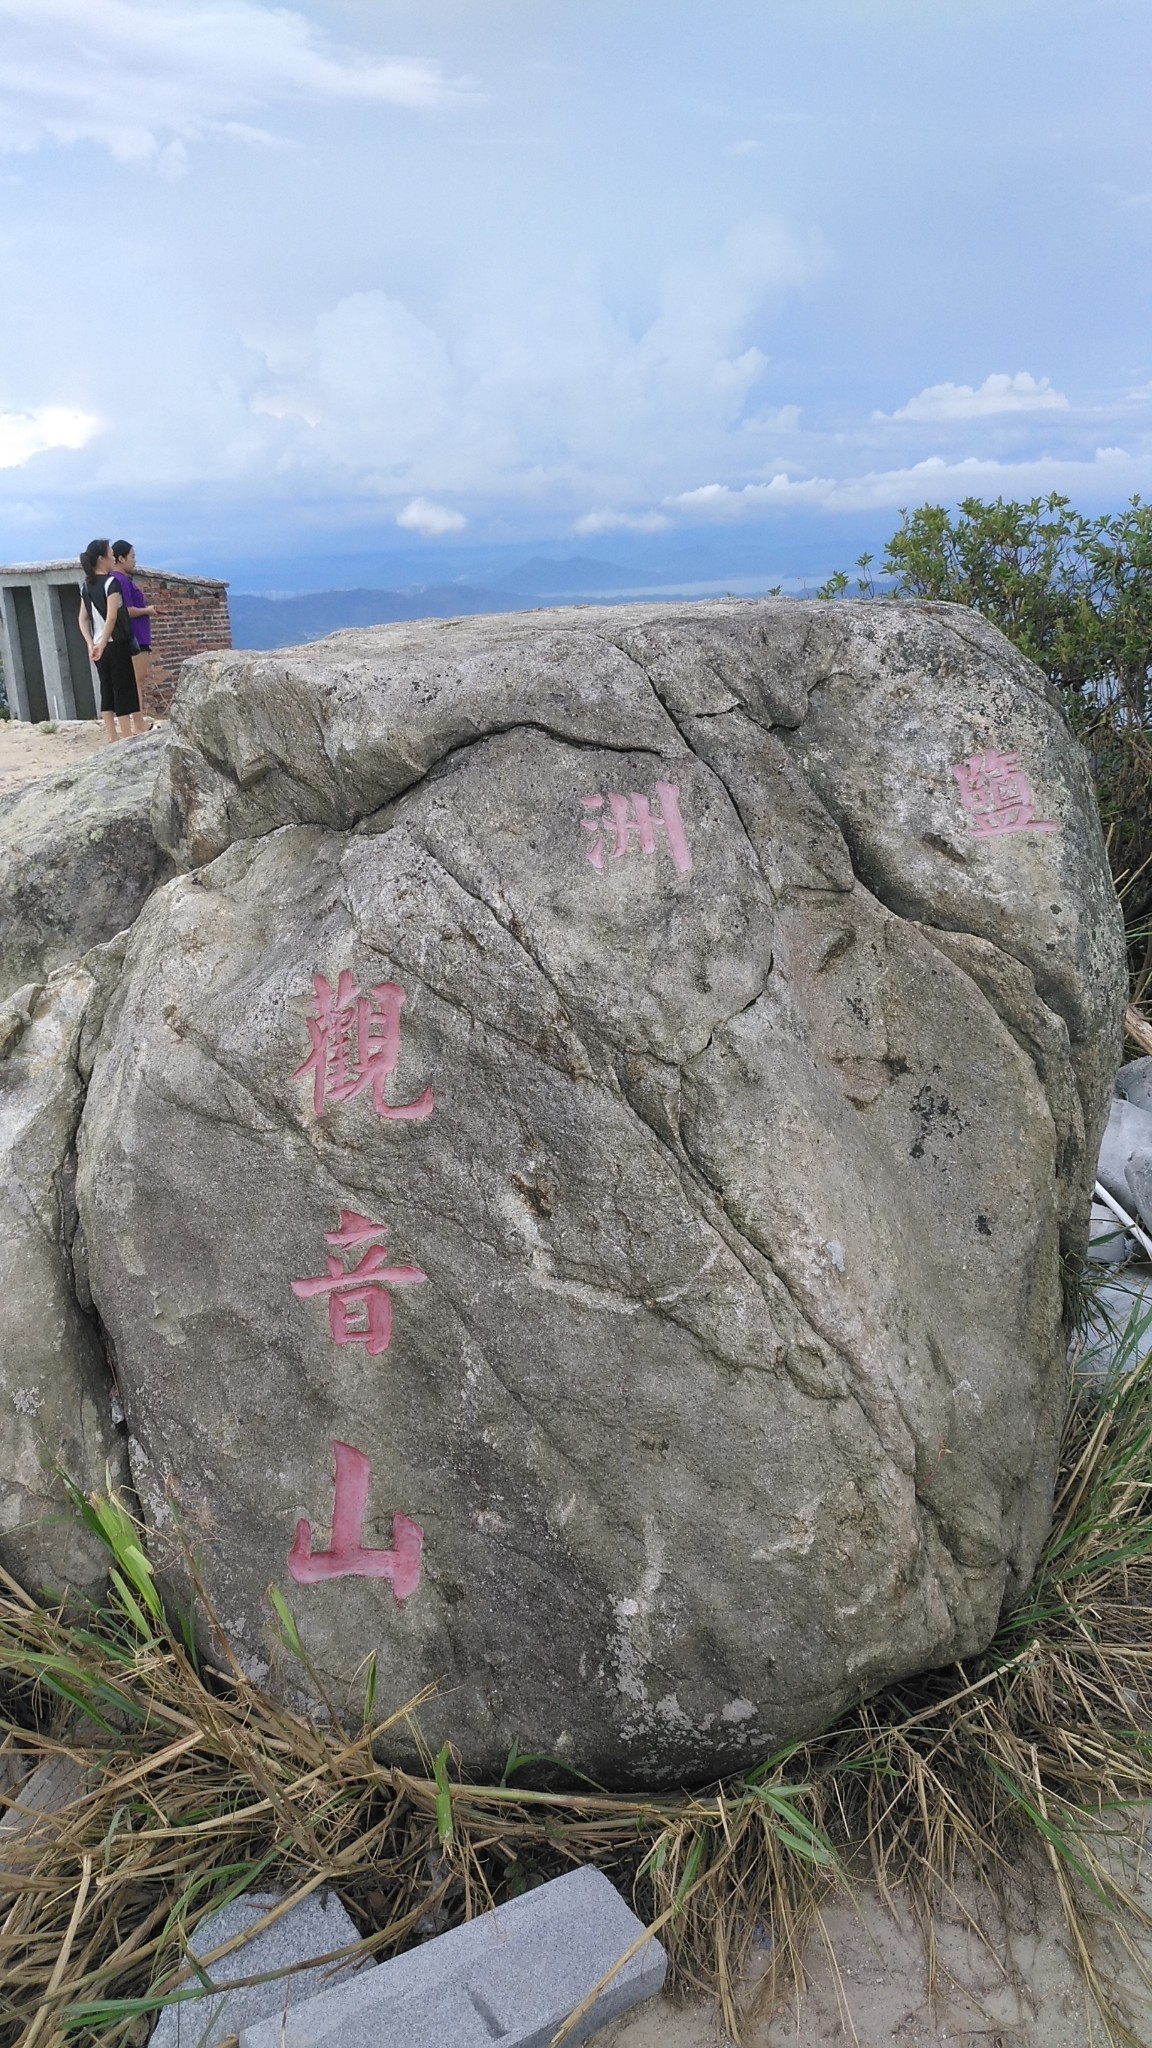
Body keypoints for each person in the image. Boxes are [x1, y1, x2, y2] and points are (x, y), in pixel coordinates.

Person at [77, 540, 146, 742]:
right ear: (101, 559)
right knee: (123, 688)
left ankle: (112, 735)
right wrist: (105, 642)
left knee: (106, 689)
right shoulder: (111, 583)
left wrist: (91, 644)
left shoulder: (86, 586)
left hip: (98, 647)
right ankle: (126, 736)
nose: (113, 558)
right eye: (110, 554)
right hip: (114, 643)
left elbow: (82, 618)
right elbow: (112, 616)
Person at [110, 540, 157, 711]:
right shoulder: (120, 580)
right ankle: (138, 720)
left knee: (134, 679)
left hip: (134, 635)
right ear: (121, 558)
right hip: (135, 635)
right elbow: (126, 610)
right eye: (132, 556)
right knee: (136, 679)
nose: (134, 561)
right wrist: (147, 610)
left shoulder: (118, 580)